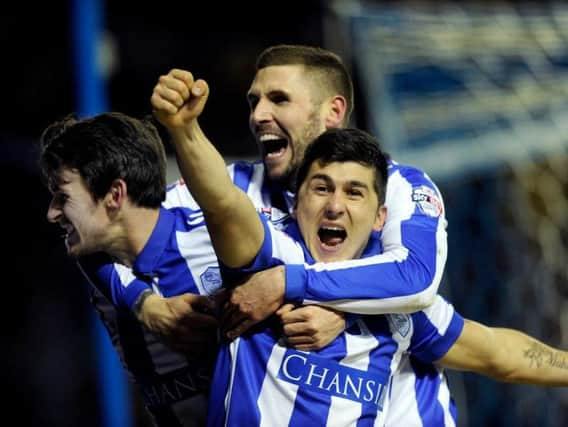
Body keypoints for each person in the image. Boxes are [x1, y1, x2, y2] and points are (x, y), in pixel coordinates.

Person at [67, 45, 449, 426]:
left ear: (333, 111)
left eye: (278, 100)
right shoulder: (230, 187)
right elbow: (96, 225)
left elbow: (416, 276)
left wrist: (314, 297)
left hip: (405, 380)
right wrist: (144, 304)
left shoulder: (399, 185)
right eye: (254, 102)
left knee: (489, 349)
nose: (258, 115)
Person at [151, 76, 568, 425]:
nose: (335, 205)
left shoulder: (396, 304)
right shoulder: (266, 257)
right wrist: (185, 130)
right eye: (321, 188)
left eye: (354, 193)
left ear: (380, 217)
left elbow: (498, 353)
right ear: (296, 204)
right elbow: (222, 202)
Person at [39, 112, 219, 427]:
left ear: (115, 195)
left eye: (62, 196)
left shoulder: (213, 226)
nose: (51, 213)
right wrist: (142, 301)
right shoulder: (99, 271)